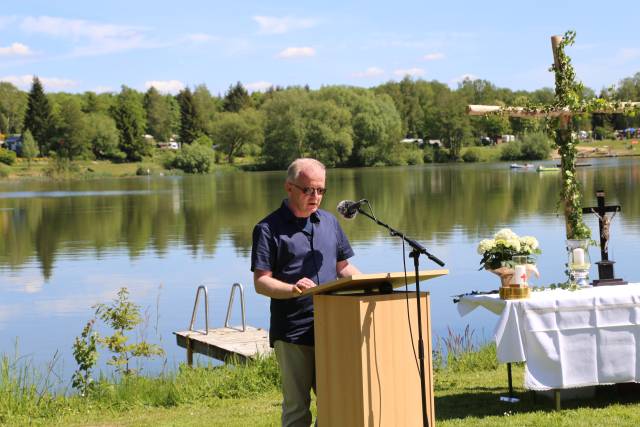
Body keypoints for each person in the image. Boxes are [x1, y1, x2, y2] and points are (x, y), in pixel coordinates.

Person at [251, 158, 360, 427]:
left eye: (321, 190)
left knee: (336, 401)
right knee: (297, 409)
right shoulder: (267, 229)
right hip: (293, 332)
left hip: (332, 326)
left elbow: (343, 268)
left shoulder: (330, 223)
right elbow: (261, 282)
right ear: (289, 187)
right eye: (308, 190)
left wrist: (372, 285)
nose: (315, 197)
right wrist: (292, 289)